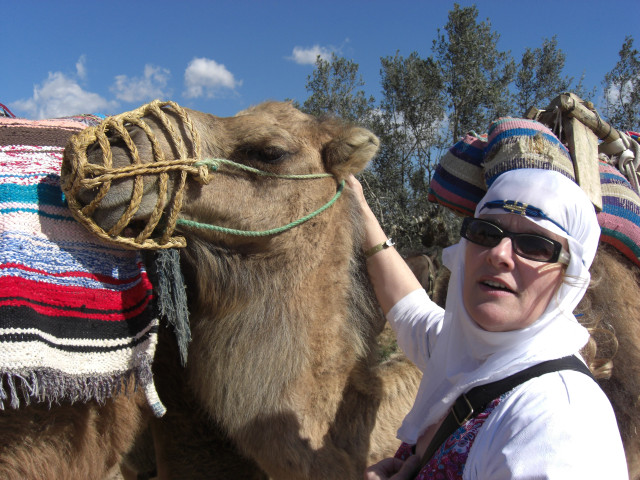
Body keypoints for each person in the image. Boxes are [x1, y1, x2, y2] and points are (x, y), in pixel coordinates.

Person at [347, 167, 628, 479]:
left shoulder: (558, 423)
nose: (499, 253)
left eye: (535, 245)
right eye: (486, 233)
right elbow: (411, 311)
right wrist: (359, 208)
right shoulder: (475, 354)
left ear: (570, 275)